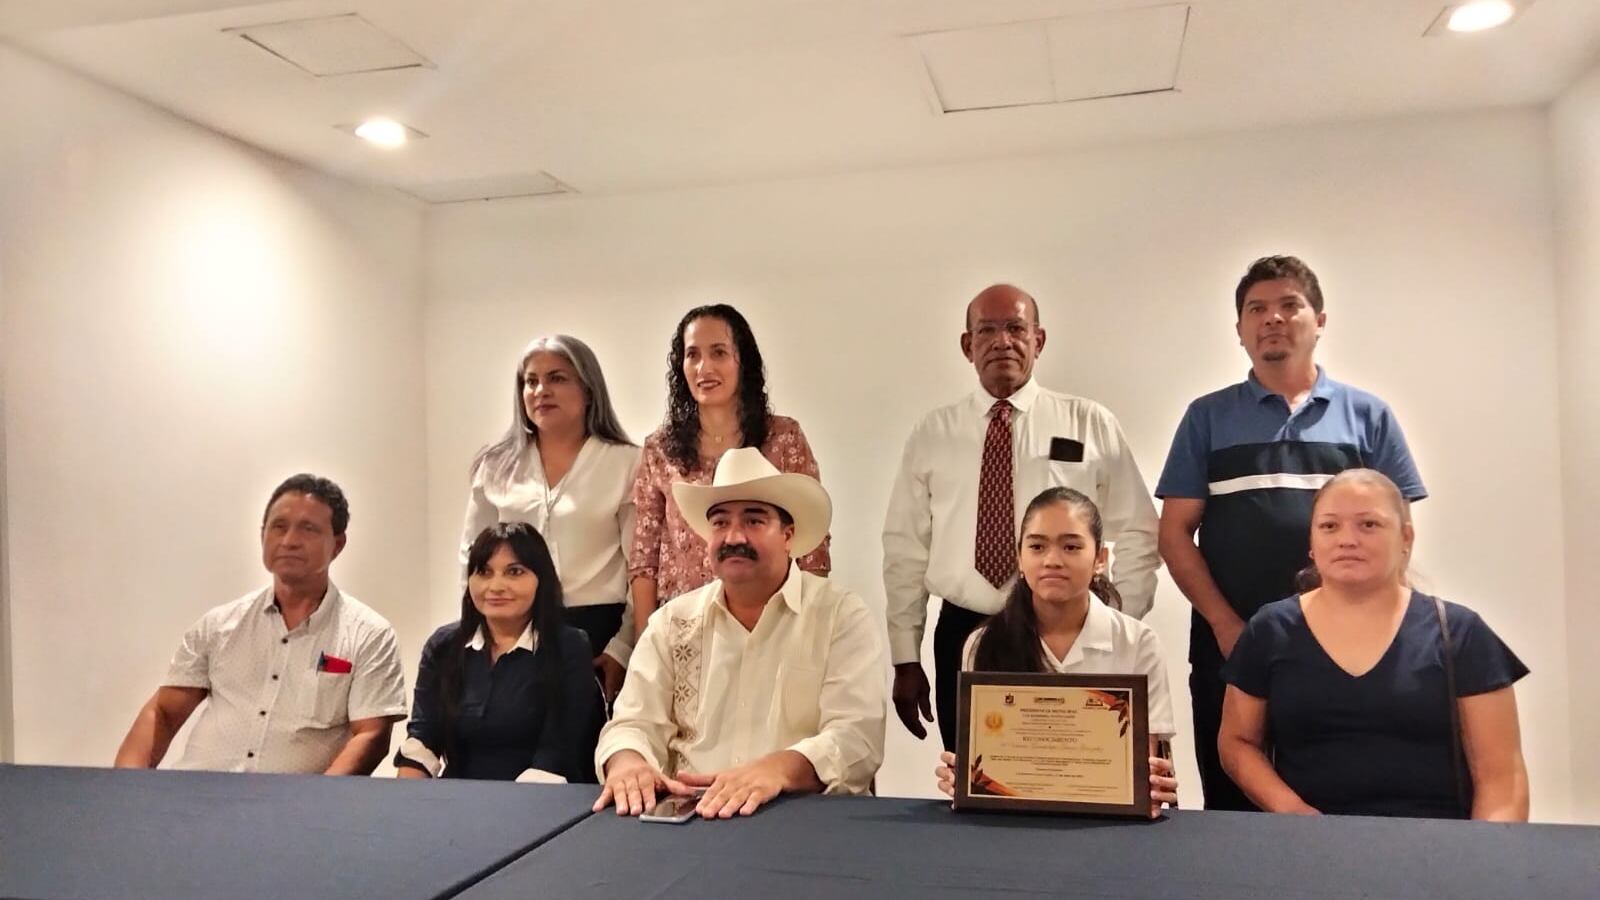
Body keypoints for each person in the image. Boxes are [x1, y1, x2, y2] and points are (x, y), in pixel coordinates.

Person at [1155, 255, 1427, 810]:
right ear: (1239, 329)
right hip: (1231, 646)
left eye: (1288, 305)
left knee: (1339, 796)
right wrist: (1225, 625)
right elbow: (1174, 535)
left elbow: (1397, 533)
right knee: (1234, 800)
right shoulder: (1207, 418)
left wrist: (1374, 629)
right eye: (1257, 309)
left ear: (1319, 320)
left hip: (1344, 648)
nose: (1272, 318)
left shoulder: (1368, 417)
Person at [884, 283, 1160, 752]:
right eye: (987, 330)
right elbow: (904, 548)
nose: (1002, 341)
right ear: (967, 345)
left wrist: (1115, 624)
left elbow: (1139, 530)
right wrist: (905, 657)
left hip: (1067, 626)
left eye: (1015, 328)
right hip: (964, 629)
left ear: (1039, 339)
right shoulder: (933, 433)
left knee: (1073, 767)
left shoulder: (1088, 423)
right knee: (975, 777)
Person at [1219, 469, 1528, 819]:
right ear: (1311, 541)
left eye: (1368, 525)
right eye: (1329, 526)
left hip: (1436, 844)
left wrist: (1482, 851)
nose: (1347, 540)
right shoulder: (1270, 630)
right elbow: (1237, 742)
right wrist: (1293, 812)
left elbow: (1502, 779)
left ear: (1406, 537)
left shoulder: (1460, 633)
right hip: (1308, 842)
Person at [595, 447, 884, 819]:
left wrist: (778, 769)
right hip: (692, 824)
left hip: (804, 821)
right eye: (719, 523)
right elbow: (632, 723)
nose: (733, 536)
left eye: (753, 520)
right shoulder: (671, 623)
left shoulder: (840, 616)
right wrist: (627, 762)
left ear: (788, 535)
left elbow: (857, 737)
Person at [114, 474, 407, 774]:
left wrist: (319, 800)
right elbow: (163, 713)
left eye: (308, 529)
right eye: (279, 526)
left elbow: (371, 735)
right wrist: (127, 790)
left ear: (338, 544)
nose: (289, 541)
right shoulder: (219, 626)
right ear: (262, 536)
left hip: (295, 802)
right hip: (196, 793)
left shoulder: (369, 635)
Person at [932, 487, 1179, 817]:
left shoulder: (1138, 643)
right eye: (1037, 546)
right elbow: (985, 758)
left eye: (1071, 546)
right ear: (1019, 558)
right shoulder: (984, 643)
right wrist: (965, 780)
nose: (1052, 560)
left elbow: (1146, 767)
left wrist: (1150, 787)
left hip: (1108, 826)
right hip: (1011, 824)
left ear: (1100, 559)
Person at [628, 304, 830, 641]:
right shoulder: (659, 449)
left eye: (719, 352)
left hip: (771, 624)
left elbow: (812, 545)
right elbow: (644, 558)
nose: (704, 367)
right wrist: (645, 643)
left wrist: (808, 631)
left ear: (743, 361)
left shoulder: (783, 438)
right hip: (684, 629)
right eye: (692, 355)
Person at [462, 334, 639, 700]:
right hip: (511, 625)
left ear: (588, 389)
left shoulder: (627, 463)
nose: (541, 390)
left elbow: (641, 566)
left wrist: (623, 648)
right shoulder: (496, 466)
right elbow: (471, 557)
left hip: (598, 631)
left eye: (557, 378)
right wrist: (477, 635)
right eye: (531, 381)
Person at [395, 523, 603, 782]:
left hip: (541, 795)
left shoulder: (570, 647)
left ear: (541, 579)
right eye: (484, 572)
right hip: (457, 796)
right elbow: (423, 739)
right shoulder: (443, 646)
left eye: (514, 572)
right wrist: (405, 798)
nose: (496, 586)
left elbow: (557, 754)